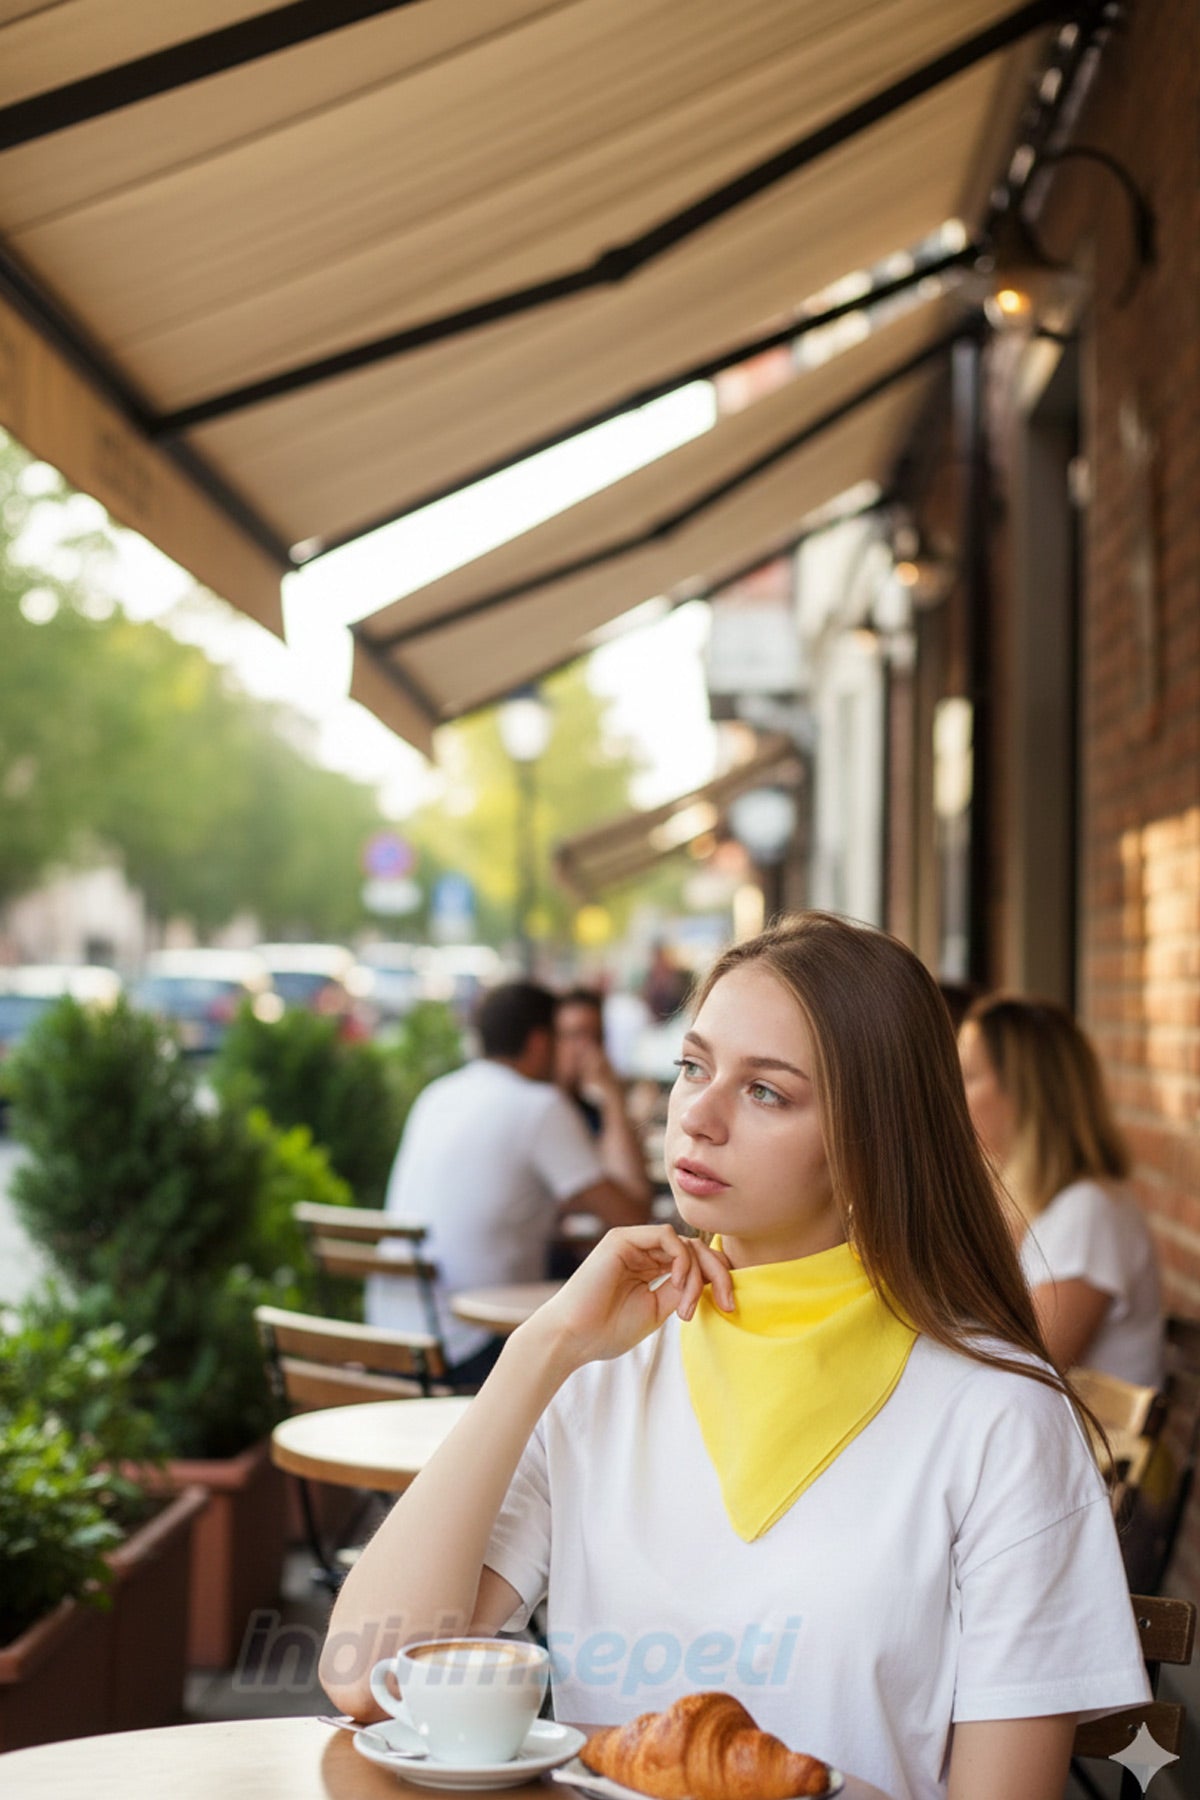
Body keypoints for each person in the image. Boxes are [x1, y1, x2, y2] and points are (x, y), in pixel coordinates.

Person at [327, 914, 1149, 1800]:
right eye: (693, 1067)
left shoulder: (1001, 1413)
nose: (699, 1116)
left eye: (766, 1092)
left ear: (872, 1139)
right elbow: (367, 1677)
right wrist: (541, 1349)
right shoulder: (608, 1366)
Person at [365, 981, 651, 1386]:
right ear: (539, 1042)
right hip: (466, 1346)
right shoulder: (540, 1106)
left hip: (389, 1340)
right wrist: (613, 1097)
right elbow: (632, 1216)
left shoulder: (437, 1095)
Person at [958, 993, 1164, 1386]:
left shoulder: (1089, 1210)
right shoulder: (1041, 1200)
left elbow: (1026, 1367)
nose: (952, 1094)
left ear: (1024, 1091)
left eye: (967, 1076)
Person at [554, 986, 653, 1204]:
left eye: (597, 1036)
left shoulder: (593, 1111)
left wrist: (612, 1094)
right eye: (575, 1035)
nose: (589, 1048)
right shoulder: (544, 1111)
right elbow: (631, 1205)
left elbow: (633, 1187)